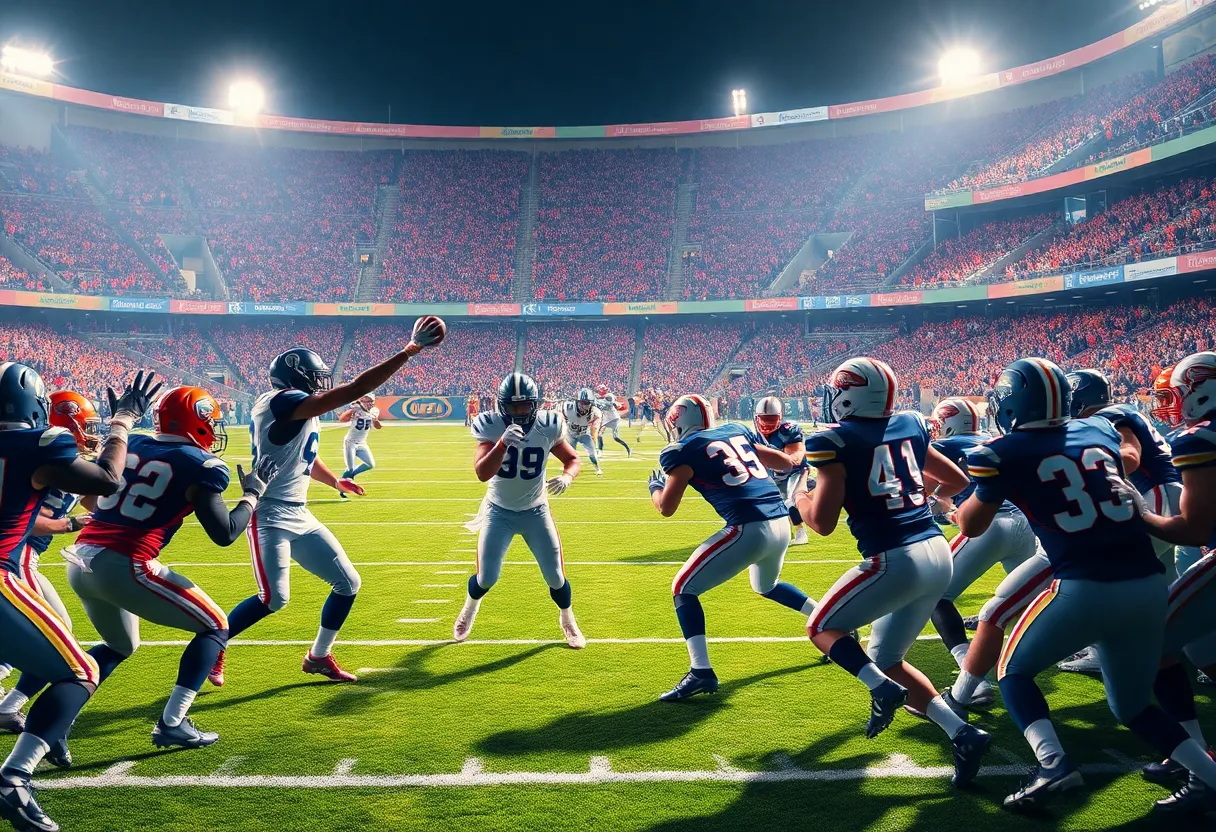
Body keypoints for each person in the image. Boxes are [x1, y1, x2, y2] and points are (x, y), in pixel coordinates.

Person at [956, 357, 1216, 812]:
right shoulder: (1100, 433)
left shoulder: (1000, 452)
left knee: (1014, 672)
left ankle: (1053, 765)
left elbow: (973, 523)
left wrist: (951, 504)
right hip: (1147, 583)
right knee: (1133, 705)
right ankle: (1209, 777)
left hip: (1084, 585)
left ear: (1015, 400)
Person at [794, 357, 990, 788]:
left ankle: (878, 689)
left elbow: (823, 523)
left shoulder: (833, 441)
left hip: (894, 558)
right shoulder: (911, 424)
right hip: (938, 553)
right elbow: (956, 480)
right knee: (888, 660)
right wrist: (917, 494)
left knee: (822, 627)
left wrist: (801, 497)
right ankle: (963, 733)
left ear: (847, 393)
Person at [219, 316, 446, 685]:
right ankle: (215, 643)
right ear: (296, 377)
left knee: (348, 583)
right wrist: (410, 350)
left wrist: (334, 480)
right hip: (270, 512)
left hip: (299, 512)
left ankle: (318, 656)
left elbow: (304, 458)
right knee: (273, 599)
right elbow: (353, 388)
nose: (319, 383)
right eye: (315, 376)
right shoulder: (280, 401)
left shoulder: (293, 408)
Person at [56, 386, 275, 749]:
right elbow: (225, 533)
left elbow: (90, 499)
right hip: (126, 563)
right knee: (216, 625)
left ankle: (51, 725)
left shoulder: (134, 443)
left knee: (118, 645)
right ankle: (172, 722)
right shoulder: (201, 465)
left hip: (81, 559)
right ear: (198, 421)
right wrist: (252, 494)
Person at [0, 365, 158, 832]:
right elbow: (108, 480)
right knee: (82, 670)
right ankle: (15, 776)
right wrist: (123, 422)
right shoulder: (39, 444)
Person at [649, 394, 817, 702]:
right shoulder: (735, 430)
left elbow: (666, 508)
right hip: (781, 520)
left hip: (748, 526)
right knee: (767, 585)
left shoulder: (682, 451)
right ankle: (827, 621)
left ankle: (701, 671)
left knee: (683, 588)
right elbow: (784, 462)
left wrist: (655, 487)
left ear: (677, 421)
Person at [1118, 353, 1216, 813]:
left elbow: (1192, 530)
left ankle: (1199, 773)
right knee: (1202, 648)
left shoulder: (1200, 439)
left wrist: (1140, 510)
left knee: (1155, 643)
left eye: (1175, 395)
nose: (1170, 405)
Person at [1057, 368, 1201, 674]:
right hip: (1167, 492)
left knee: (1104, 571)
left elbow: (1130, 455)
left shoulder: (1107, 417)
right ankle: (1192, 649)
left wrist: (1088, 475)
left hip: (1156, 495)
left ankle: (1104, 649)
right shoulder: (1118, 412)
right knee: (1165, 583)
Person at [0, 391, 101, 767]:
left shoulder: (59, 456)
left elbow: (96, 500)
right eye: (86, 424)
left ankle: (14, 710)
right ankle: (28, 723)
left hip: (27, 557)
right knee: (60, 643)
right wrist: (68, 524)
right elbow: (28, 521)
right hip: (18, 555)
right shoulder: (38, 453)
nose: (90, 431)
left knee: (57, 639)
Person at [925, 397, 1043, 711]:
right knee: (1035, 600)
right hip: (1025, 523)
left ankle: (971, 679)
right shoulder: (991, 439)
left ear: (946, 422)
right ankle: (1083, 647)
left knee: (935, 595)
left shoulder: (945, 446)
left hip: (992, 524)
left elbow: (921, 489)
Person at [454, 372, 586, 648]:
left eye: (526, 405)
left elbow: (572, 459)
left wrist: (567, 477)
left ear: (535, 404)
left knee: (555, 576)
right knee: (487, 577)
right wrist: (502, 443)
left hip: (535, 511)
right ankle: (470, 607)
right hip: (498, 511)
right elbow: (482, 473)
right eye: (514, 406)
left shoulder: (548, 425)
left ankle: (568, 618)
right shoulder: (490, 426)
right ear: (502, 406)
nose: (520, 411)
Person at [753, 396, 810, 546]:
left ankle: (800, 533)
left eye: (772, 418)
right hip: (774, 475)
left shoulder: (787, 431)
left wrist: (777, 459)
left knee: (790, 501)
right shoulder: (753, 436)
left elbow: (795, 459)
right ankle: (779, 534)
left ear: (780, 417)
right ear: (756, 417)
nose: (767, 423)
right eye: (764, 418)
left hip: (795, 472)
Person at [339, 393, 381, 494]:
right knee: (350, 468)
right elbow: (342, 419)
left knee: (370, 464)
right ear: (362, 401)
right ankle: (341, 487)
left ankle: (349, 476)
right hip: (350, 442)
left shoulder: (375, 410)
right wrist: (352, 411)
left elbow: (378, 426)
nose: (368, 403)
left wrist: (375, 420)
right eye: (366, 401)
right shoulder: (356, 408)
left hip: (362, 443)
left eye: (370, 401)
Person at [562, 387, 603, 476]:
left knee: (592, 452)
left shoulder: (595, 412)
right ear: (578, 402)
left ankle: (597, 468)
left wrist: (594, 437)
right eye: (584, 402)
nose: (587, 405)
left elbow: (594, 430)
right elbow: (561, 416)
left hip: (584, 434)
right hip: (570, 434)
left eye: (588, 403)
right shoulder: (568, 407)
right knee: (570, 455)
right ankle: (568, 470)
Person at [594, 384, 631, 457]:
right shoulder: (598, 398)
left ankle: (628, 449)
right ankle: (600, 451)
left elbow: (609, 403)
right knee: (599, 434)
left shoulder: (609, 396)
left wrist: (598, 401)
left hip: (613, 418)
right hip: (606, 418)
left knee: (615, 437)